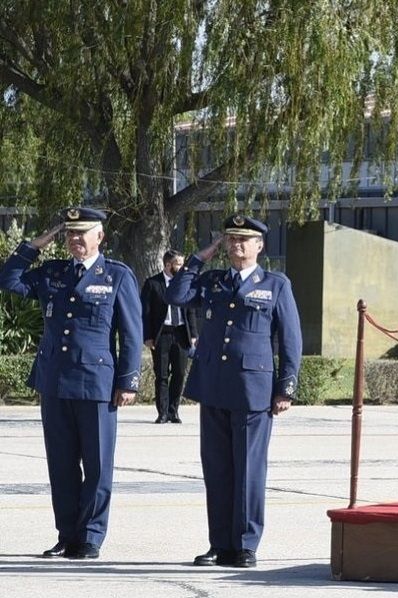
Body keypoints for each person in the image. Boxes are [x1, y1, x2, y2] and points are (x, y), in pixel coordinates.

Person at [0, 207, 142, 560]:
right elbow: (8, 279)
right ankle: (67, 534)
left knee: (96, 465)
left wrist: (128, 381)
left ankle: (90, 536)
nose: (75, 239)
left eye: (83, 233)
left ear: (100, 237)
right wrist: (37, 243)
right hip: (55, 380)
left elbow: (131, 333)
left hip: (96, 383)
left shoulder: (117, 276)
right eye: (70, 233)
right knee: (61, 465)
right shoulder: (53, 273)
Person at [166, 214, 302, 569]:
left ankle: (245, 544)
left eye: (244, 240)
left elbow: (291, 340)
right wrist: (200, 257)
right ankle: (219, 543)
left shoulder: (275, 285)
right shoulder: (212, 281)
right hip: (214, 386)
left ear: (259, 246)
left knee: (248, 471)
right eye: (231, 239)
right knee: (217, 470)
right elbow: (175, 294)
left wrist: (285, 387)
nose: (237, 245)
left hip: (252, 389)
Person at [140, 249, 198, 424]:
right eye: (178, 264)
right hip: (161, 334)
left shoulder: (184, 284)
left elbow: (190, 310)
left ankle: (174, 411)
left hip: (181, 333)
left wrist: (193, 334)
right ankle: (163, 413)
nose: (181, 267)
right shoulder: (152, 284)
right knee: (162, 374)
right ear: (168, 265)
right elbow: (146, 313)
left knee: (179, 373)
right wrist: (148, 336)